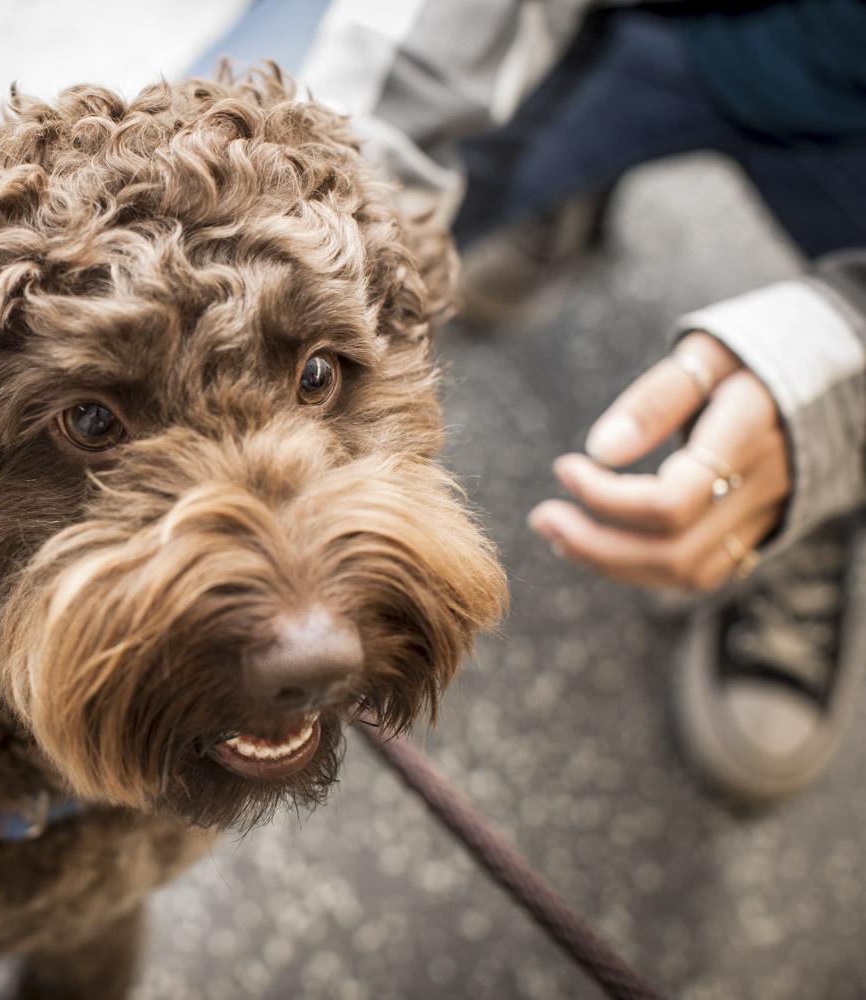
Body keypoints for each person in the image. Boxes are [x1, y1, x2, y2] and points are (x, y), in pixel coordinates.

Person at [189, 0, 866, 805]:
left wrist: (827, 383)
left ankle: (801, 494)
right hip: (633, 22)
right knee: (234, 170)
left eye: (314, 381)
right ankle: (556, 185)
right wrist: (322, 217)